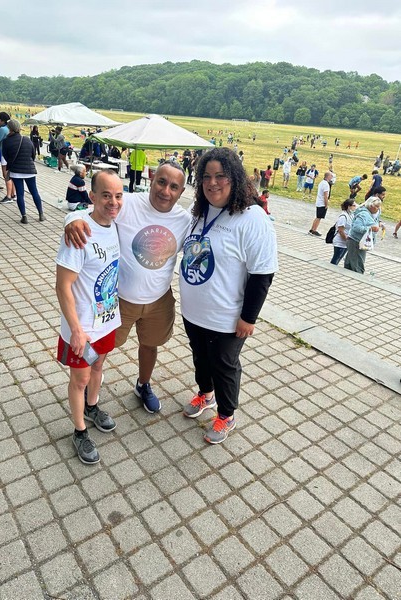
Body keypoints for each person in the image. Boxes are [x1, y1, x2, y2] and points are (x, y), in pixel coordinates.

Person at [64, 161, 191, 413]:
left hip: (159, 299)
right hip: (119, 298)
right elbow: (94, 210)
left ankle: (143, 385)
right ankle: (90, 387)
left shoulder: (184, 220)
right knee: (101, 349)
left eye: (174, 187)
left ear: (181, 192)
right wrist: (72, 218)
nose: (166, 191)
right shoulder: (129, 203)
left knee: (150, 345)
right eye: (161, 182)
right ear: (152, 179)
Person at [180, 147, 277, 444]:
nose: (213, 183)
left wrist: (249, 317)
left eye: (221, 176)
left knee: (224, 365)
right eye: (206, 177)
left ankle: (226, 414)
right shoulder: (199, 211)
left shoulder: (252, 218)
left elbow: (263, 273)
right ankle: (205, 395)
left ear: (235, 178)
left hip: (226, 316)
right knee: (201, 358)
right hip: (193, 310)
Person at [56, 170, 122, 464]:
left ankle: (92, 407)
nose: (113, 202)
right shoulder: (79, 233)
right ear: (92, 196)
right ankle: (79, 430)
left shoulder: (116, 225)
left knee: (98, 367)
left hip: (107, 320)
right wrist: (76, 330)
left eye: (118, 196)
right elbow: (63, 286)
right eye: (106, 195)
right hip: (82, 326)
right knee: (80, 379)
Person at [1, 119, 45, 224]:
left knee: (20, 194)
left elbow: (6, 156)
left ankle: (24, 216)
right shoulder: (26, 139)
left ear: (9, 128)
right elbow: (33, 154)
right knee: (34, 192)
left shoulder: (6, 141)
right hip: (29, 169)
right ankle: (41, 214)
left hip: (15, 170)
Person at [344, 197, 381, 274]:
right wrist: (370, 228)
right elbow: (356, 227)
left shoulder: (371, 214)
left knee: (350, 263)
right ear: (371, 206)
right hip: (356, 241)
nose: (378, 209)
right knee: (358, 266)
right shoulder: (363, 214)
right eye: (377, 206)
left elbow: (372, 223)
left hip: (360, 242)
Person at [0, 111, 15, 203]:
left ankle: (8, 196)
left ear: (2, 120)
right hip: (11, 152)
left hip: (3, 152)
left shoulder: (3, 129)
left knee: (6, 174)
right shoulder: (10, 128)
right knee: (11, 174)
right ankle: (13, 193)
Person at [330, 199, 357, 265]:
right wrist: (346, 240)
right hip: (340, 242)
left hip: (346, 241)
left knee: (339, 258)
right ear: (349, 206)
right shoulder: (343, 216)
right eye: (354, 205)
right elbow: (341, 231)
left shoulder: (351, 214)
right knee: (336, 258)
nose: (355, 207)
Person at [309, 171, 333, 236]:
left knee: (317, 217)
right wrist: (326, 204)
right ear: (328, 176)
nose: (332, 177)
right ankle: (314, 230)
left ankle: (312, 229)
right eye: (331, 176)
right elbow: (325, 196)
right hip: (322, 203)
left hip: (319, 201)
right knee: (319, 217)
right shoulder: (326, 185)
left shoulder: (322, 183)